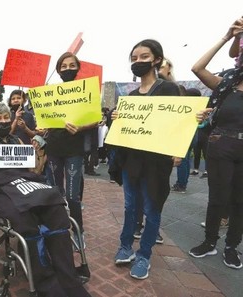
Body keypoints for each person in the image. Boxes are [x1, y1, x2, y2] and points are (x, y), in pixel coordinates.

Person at [0, 101, 91, 297]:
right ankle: (45, 281)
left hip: (25, 185)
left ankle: (67, 276)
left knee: (56, 208)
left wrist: (39, 151)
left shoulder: (18, 142)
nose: (4, 122)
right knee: (24, 217)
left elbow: (35, 171)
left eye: (7, 118)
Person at [112, 39, 182, 279]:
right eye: (134, 58)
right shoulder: (130, 96)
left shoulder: (168, 90)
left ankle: (144, 256)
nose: (138, 61)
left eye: (144, 57)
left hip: (156, 162)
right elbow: (124, 129)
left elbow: (177, 123)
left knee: (152, 208)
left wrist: (178, 150)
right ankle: (125, 247)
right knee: (130, 207)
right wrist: (117, 118)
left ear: (157, 60)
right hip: (131, 160)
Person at [189, 18, 243, 270]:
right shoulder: (228, 81)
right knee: (218, 198)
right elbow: (198, 68)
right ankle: (210, 242)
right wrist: (227, 37)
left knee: (239, 201)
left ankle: (232, 247)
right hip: (221, 144)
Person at [43, 52, 100, 249]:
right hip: (53, 148)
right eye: (63, 66)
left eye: (71, 65)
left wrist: (81, 127)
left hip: (74, 150)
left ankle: (78, 232)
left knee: (72, 196)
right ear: (58, 70)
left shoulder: (87, 92)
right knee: (55, 193)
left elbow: (96, 119)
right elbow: (45, 120)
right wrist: (42, 128)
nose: (67, 69)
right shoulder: (51, 92)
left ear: (78, 67)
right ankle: (58, 229)